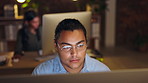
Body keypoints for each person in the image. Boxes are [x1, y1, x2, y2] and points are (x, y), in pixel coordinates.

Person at [32, 19, 110, 75]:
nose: (74, 53)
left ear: (86, 44)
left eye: (80, 45)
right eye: (66, 47)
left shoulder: (102, 71)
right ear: (56, 46)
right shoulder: (41, 73)